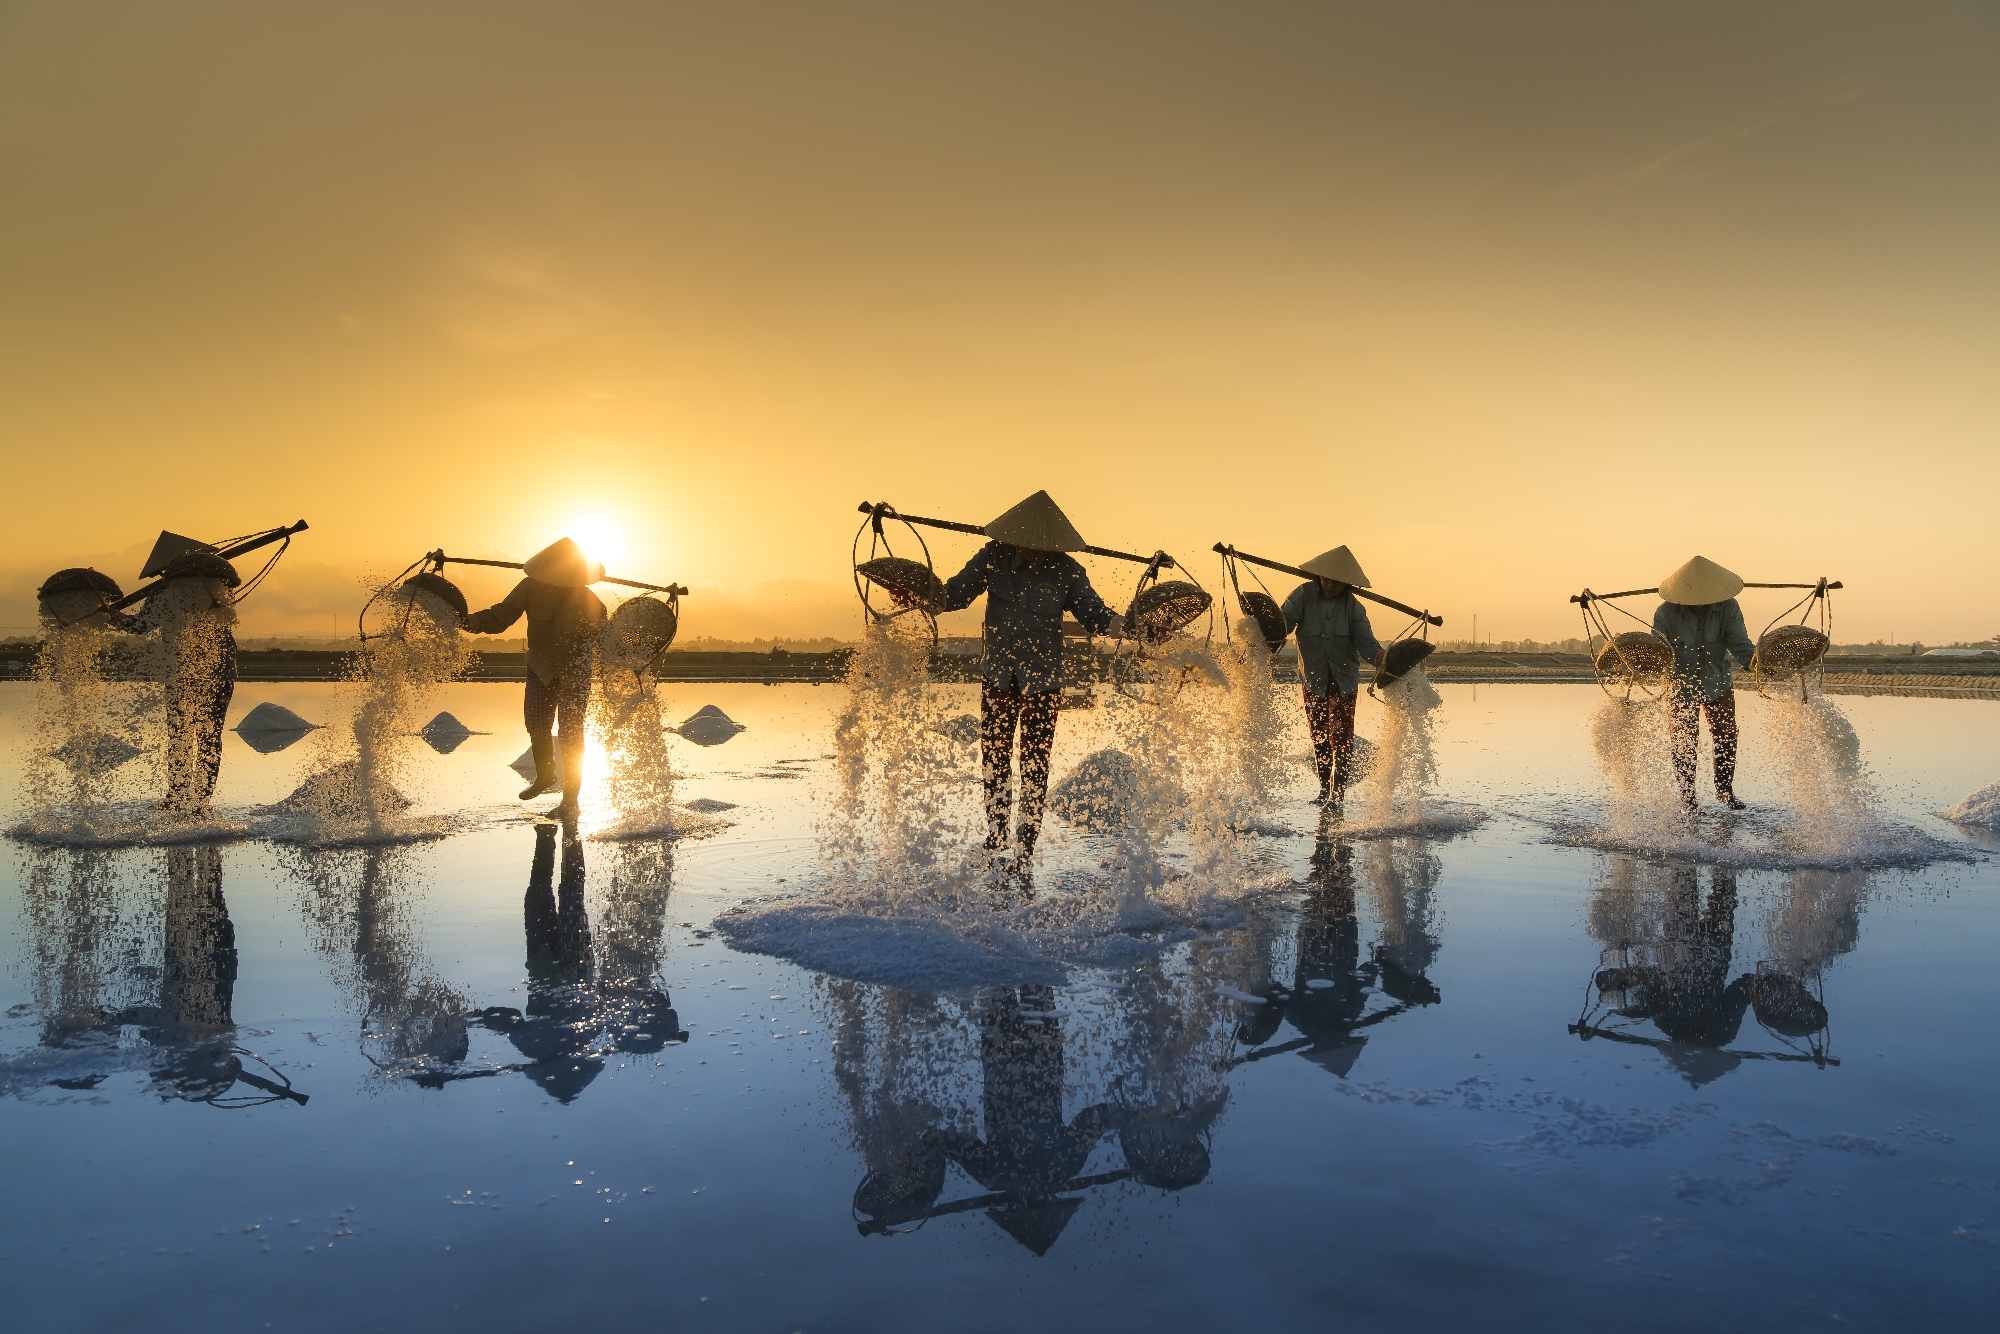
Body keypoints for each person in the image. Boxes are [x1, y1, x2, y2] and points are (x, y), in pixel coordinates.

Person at [940, 491, 1122, 861]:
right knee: (994, 758)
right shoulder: (993, 557)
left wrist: (1130, 626)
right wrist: (919, 594)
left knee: (1035, 762)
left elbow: (1096, 616)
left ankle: (1026, 842)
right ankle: (996, 834)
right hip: (998, 677)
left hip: (1044, 683)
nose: (1035, 551)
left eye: (1043, 547)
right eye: (1029, 545)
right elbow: (953, 595)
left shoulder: (1068, 570)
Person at [462, 537, 607, 819]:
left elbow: (604, 636)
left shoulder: (588, 599)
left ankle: (570, 801)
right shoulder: (529, 588)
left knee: (570, 733)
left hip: (574, 671)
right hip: (540, 666)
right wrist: (471, 621)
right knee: (537, 722)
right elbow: (501, 615)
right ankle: (545, 775)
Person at [118, 552, 241, 814]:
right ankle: (184, 797)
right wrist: (112, 617)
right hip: (187, 674)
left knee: (190, 735)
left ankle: (193, 799)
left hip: (207, 674)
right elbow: (143, 625)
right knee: (195, 736)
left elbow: (141, 626)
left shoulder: (206, 586)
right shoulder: (197, 587)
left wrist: (113, 617)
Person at [1279, 546, 1386, 805]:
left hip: (1343, 680)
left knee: (1342, 738)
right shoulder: (1302, 596)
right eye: (1325, 578)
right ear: (1318, 576)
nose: (1329, 584)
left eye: (1335, 581)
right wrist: (1263, 627)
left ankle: (1337, 795)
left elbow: (1366, 645)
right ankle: (1324, 790)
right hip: (1313, 679)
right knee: (1319, 736)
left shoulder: (1354, 608)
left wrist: (1382, 658)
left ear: (1346, 583)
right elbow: (1283, 624)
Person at [1653, 555, 1755, 813]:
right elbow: (1657, 651)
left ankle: (1724, 790)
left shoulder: (1728, 608)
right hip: (1679, 684)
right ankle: (1688, 799)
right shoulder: (1666, 612)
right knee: (1683, 741)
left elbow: (1741, 645)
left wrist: (1757, 665)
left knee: (1726, 734)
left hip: (1717, 680)